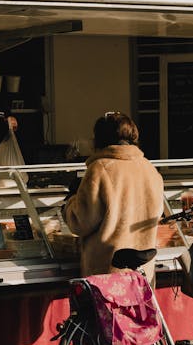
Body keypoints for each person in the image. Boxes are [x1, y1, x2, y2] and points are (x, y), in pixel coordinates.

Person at [62, 112, 165, 284]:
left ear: (99, 140)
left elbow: (80, 222)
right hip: (141, 276)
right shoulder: (150, 170)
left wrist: (70, 203)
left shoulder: (99, 169)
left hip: (107, 276)